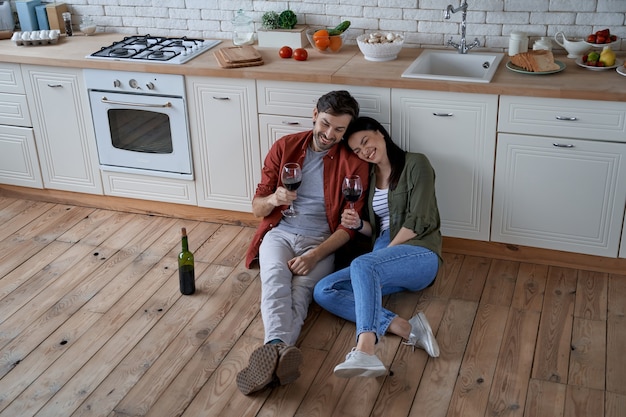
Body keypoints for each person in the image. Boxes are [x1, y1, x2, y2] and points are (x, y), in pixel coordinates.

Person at [237, 91, 370, 395]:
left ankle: (273, 352)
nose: (329, 135)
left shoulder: (353, 162)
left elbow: (347, 228)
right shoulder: (285, 146)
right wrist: (273, 198)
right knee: (274, 280)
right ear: (314, 114)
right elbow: (257, 208)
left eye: (339, 130)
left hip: (323, 240)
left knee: (301, 291)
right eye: (325, 124)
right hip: (281, 232)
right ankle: (280, 352)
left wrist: (314, 256)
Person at [313, 116, 443, 378]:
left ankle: (365, 350)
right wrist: (359, 225)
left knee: (364, 263)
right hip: (382, 253)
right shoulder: (370, 177)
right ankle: (408, 328)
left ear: (380, 133)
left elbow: (417, 222)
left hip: (419, 250)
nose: (365, 152)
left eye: (365, 142)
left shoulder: (416, 163)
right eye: (358, 150)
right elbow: (379, 227)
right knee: (323, 290)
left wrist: (381, 257)